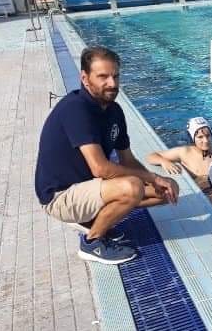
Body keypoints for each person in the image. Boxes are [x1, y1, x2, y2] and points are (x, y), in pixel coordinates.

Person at [34, 46, 178, 265]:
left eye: (115, 76)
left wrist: (158, 182)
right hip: (60, 196)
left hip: (89, 187)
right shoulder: (76, 109)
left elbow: (128, 160)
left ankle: (94, 220)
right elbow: (100, 168)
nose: (112, 83)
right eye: (103, 77)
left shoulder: (114, 111)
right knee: (132, 187)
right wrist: (152, 177)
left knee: (166, 192)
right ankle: (91, 243)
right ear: (85, 78)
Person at [145, 117, 212, 190]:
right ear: (192, 138)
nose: (205, 140)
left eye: (208, 136)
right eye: (200, 137)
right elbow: (151, 156)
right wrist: (164, 162)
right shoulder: (184, 152)